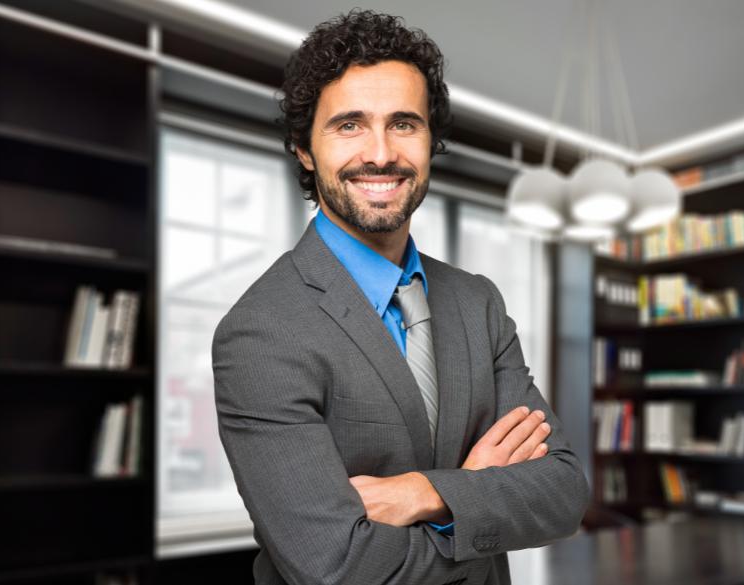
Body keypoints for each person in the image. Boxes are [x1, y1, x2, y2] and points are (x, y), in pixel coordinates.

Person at [212, 9, 589, 585]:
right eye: (349, 125)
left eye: (404, 124)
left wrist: (422, 493)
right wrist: (477, 497)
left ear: (431, 141)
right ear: (304, 150)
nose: (382, 153)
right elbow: (336, 568)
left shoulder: (478, 303)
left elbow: (562, 492)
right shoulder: (261, 331)